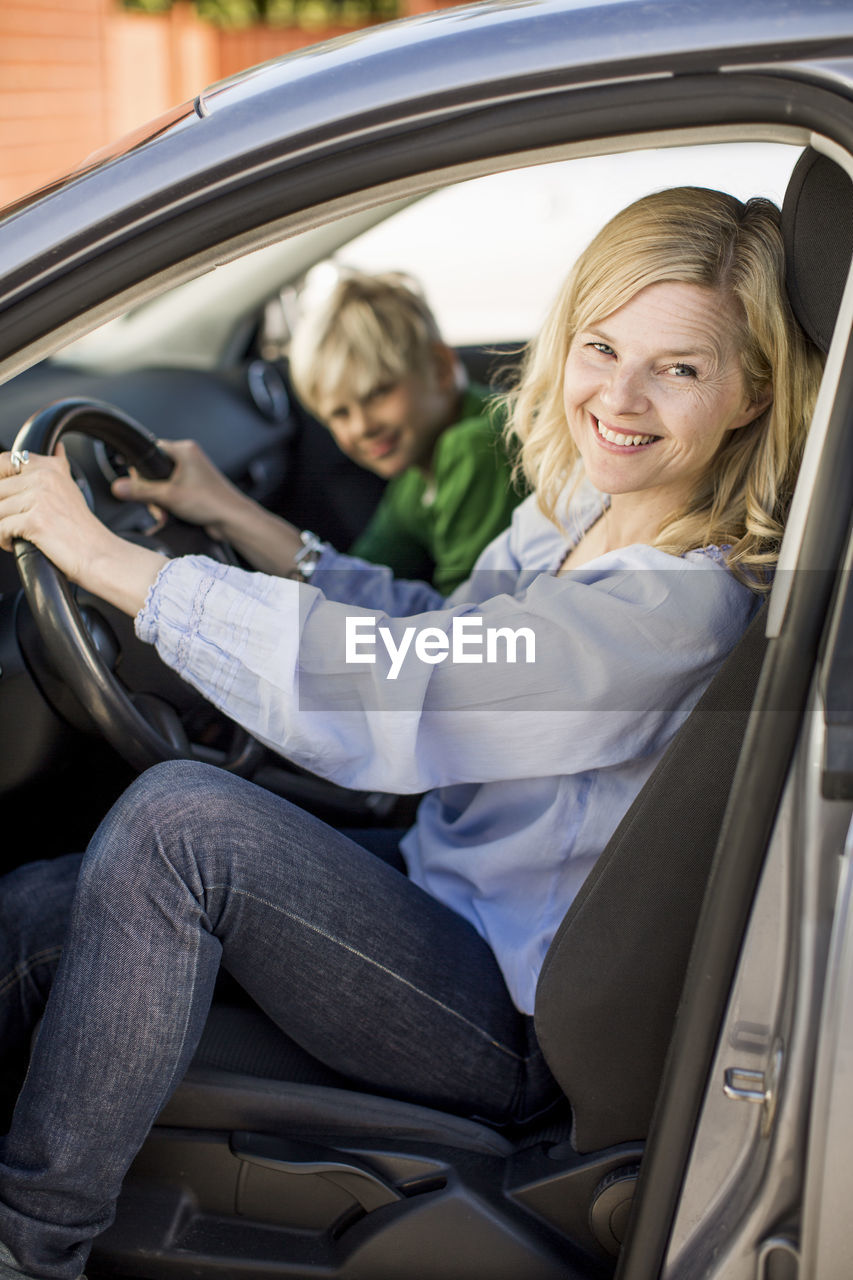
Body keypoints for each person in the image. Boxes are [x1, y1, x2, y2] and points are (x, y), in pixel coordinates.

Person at [0, 186, 823, 1280]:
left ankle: (26, 1246)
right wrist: (242, 518)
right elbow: (444, 632)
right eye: (601, 347)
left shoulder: (668, 610)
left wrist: (114, 562)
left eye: (677, 367)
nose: (619, 397)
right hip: (444, 885)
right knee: (40, 906)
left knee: (177, 825)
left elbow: (405, 683)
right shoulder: (587, 509)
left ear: (752, 392)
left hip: (508, 1012)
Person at [287, 268, 525, 591]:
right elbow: (362, 570)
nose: (362, 427)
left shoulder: (475, 446)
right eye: (339, 413)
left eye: (377, 393)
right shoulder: (414, 477)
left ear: (440, 368)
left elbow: (468, 614)